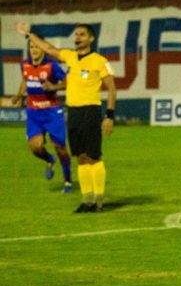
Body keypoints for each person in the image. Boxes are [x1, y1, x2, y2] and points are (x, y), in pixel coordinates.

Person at [16, 22, 117, 213]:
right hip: (74, 112)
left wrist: (109, 116)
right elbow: (48, 48)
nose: (77, 37)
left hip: (91, 111)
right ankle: (87, 201)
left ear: (91, 39)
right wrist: (29, 34)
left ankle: (99, 200)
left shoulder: (99, 61)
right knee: (80, 157)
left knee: (94, 156)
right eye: (76, 34)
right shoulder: (70, 57)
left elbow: (112, 88)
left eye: (81, 34)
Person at [11, 35, 72, 193]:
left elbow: (67, 82)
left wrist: (53, 87)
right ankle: (50, 160)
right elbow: (25, 80)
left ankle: (68, 181)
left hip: (52, 112)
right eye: (31, 47)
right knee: (35, 148)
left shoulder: (52, 65)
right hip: (33, 113)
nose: (34, 50)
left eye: (37, 46)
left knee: (60, 148)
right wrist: (19, 96)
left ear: (43, 49)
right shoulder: (24, 64)